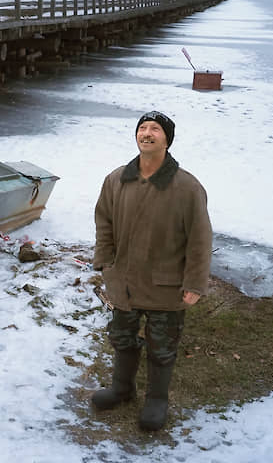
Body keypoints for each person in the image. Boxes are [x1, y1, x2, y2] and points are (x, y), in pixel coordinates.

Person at [91, 110, 213, 431]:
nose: (147, 133)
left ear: (167, 140)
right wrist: (105, 260)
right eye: (142, 128)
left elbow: (200, 240)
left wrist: (195, 283)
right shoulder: (116, 179)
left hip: (166, 285)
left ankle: (157, 400)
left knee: (162, 345)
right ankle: (122, 388)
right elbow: (104, 221)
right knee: (122, 338)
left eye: (155, 129)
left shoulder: (187, 187)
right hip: (124, 284)